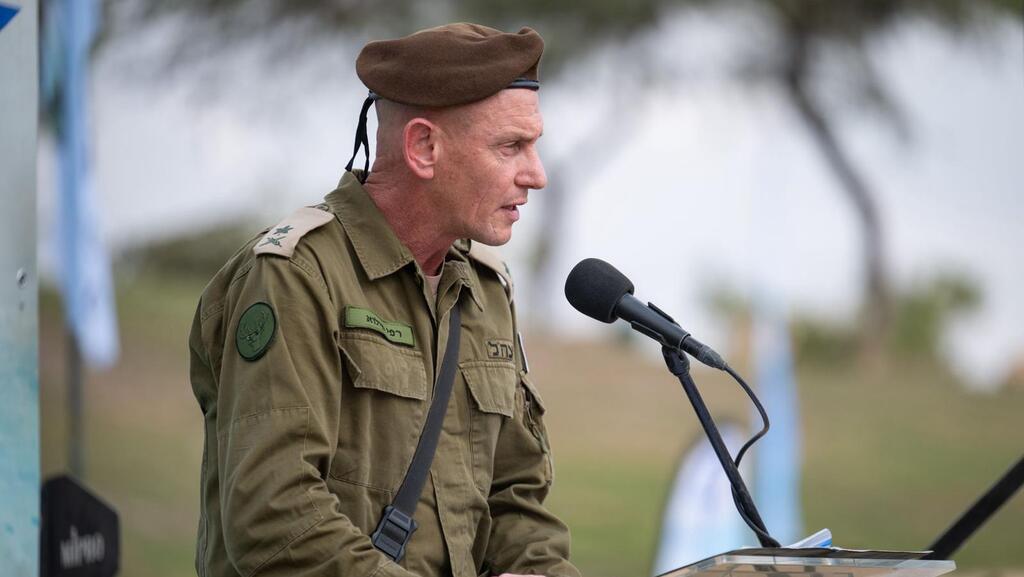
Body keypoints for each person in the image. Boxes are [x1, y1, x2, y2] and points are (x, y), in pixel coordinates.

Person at [188, 23, 581, 577]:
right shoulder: (296, 277)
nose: (536, 175)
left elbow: (515, 498)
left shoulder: (485, 290)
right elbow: (274, 518)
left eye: (533, 146)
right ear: (423, 147)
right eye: (510, 146)